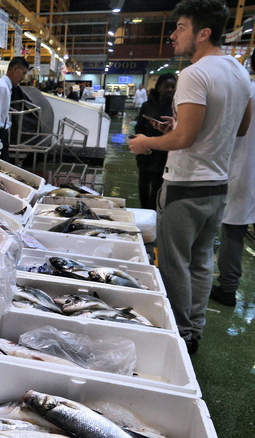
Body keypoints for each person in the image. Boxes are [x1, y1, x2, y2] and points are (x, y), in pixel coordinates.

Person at [128, 0, 252, 355]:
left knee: (173, 263)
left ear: (203, 33)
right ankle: (193, 328)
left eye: (181, 27)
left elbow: (184, 140)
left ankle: (179, 334)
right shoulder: (239, 71)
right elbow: (240, 127)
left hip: (185, 185)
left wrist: (146, 142)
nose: (173, 35)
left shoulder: (195, 74)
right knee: (200, 262)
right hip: (217, 186)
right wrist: (180, 124)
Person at [209, 51, 255, 307]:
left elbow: (230, 129)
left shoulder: (246, 91)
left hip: (242, 171)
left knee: (233, 233)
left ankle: (228, 288)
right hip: (245, 173)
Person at [133, 73, 176, 210]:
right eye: (167, 86)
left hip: (164, 155)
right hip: (146, 153)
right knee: (143, 185)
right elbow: (139, 127)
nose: (170, 90)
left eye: (172, 87)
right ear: (159, 87)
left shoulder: (176, 108)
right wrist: (140, 144)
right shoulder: (147, 106)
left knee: (158, 186)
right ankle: (143, 209)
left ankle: (152, 212)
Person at [0, 57, 30, 162]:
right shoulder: (1, 88)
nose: (23, 78)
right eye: (23, 73)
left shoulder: (5, 87)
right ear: (15, 69)